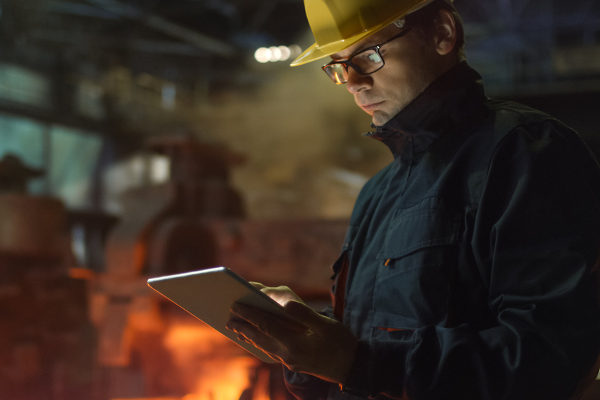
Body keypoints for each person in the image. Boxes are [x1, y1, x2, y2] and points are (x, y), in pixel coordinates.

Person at [227, 0, 600, 398]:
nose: (352, 81)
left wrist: (355, 362)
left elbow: (549, 361)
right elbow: (360, 366)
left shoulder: (525, 153)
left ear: (442, 33)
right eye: (338, 65)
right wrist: (303, 345)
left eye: (368, 56)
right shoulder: (377, 194)